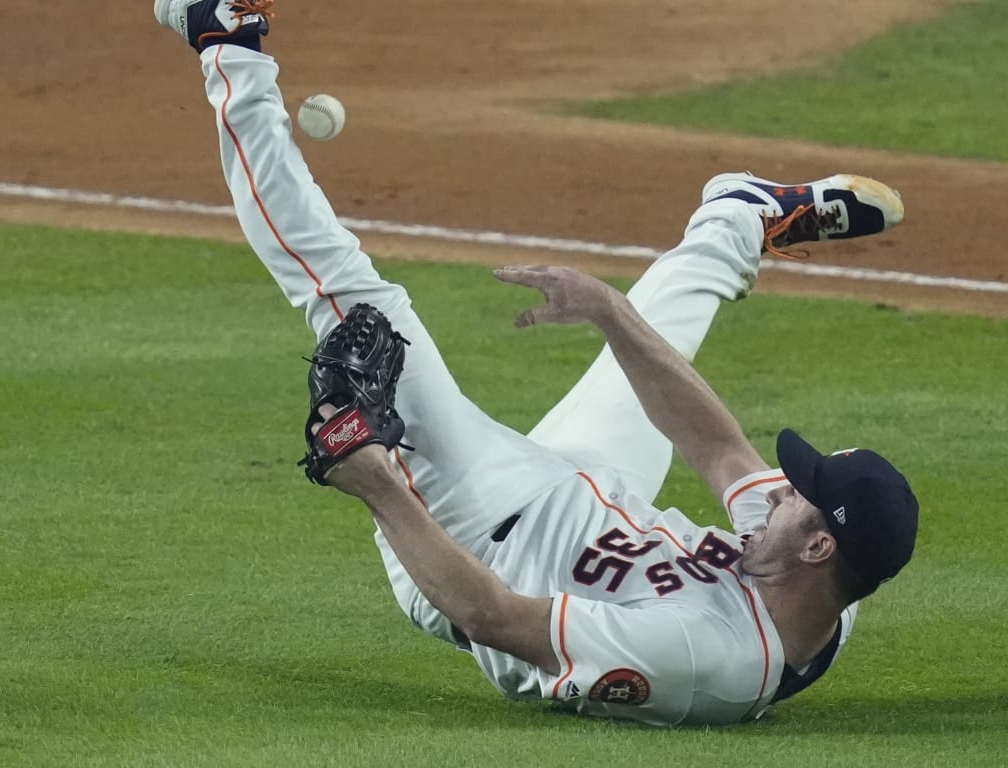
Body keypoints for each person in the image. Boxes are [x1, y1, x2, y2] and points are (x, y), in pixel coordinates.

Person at [154, 0, 920, 727]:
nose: (780, 490)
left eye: (799, 495)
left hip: (476, 534)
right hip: (586, 491)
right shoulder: (814, 578)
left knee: (356, 298)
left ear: (820, 546)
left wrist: (381, 490)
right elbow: (717, 449)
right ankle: (737, 219)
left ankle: (225, 39)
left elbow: (491, 615)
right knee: (647, 341)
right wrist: (610, 311)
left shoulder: (704, 660)